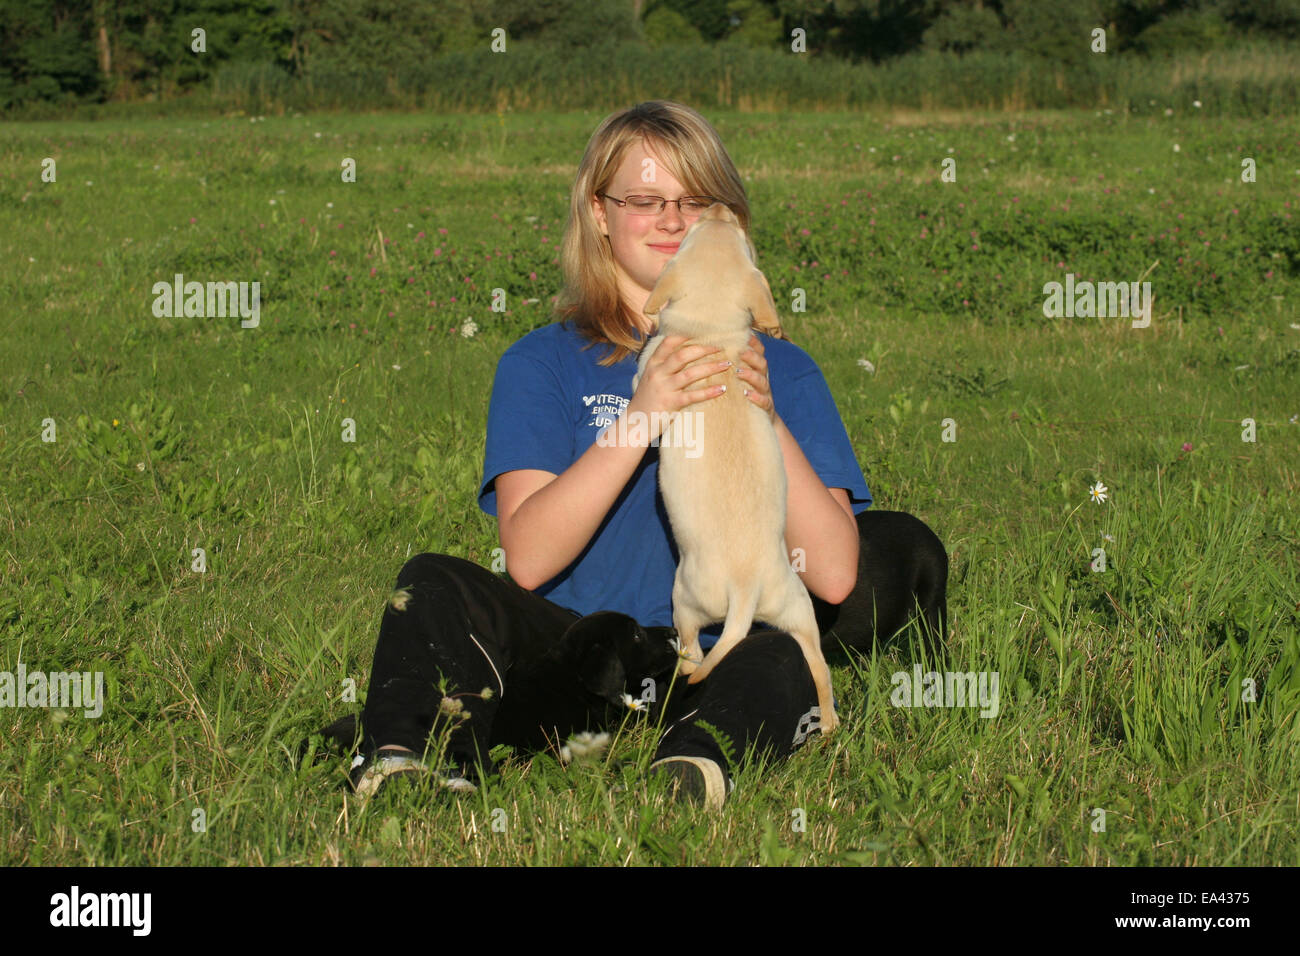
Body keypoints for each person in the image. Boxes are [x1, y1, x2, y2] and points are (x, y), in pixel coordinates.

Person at [346, 100, 871, 809]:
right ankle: (409, 754)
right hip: (578, 649)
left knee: (783, 655)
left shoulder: (784, 367)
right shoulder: (545, 362)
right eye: (644, 200)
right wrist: (640, 417)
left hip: (711, 646)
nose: (672, 220)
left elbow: (835, 575)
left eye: (696, 200)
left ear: (729, 217)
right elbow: (528, 557)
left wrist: (765, 414)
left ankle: (694, 764)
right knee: (432, 582)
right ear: (599, 212)